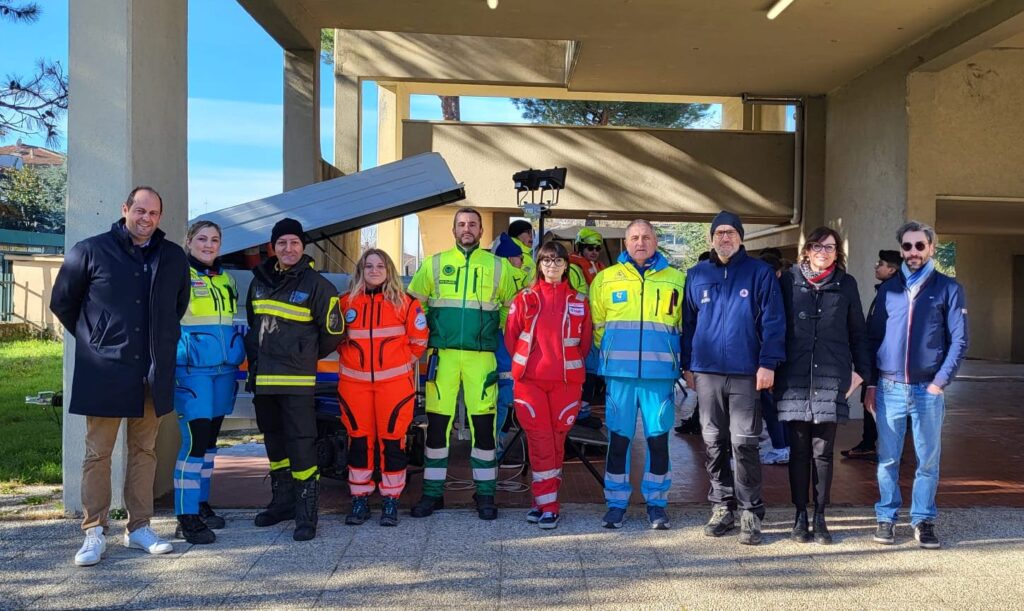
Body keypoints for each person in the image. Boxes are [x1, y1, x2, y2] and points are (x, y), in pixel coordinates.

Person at [50, 186, 190, 566]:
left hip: (151, 372)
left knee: (144, 451)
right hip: (106, 371)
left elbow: (177, 306)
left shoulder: (174, 256)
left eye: (153, 213)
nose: (146, 219)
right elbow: (62, 302)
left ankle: (139, 527)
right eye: (139, 210)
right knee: (99, 453)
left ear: (160, 217)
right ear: (125, 209)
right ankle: (94, 530)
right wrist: (96, 340)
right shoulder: (90, 250)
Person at [407, 208, 518, 520]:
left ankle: (484, 496)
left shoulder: (498, 266)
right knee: (437, 429)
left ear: (481, 230)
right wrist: (426, 338)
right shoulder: (434, 264)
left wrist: (501, 343)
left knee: (483, 428)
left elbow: (512, 313)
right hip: (442, 356)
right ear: (453, 229)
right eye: (461, 224)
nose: (467, 229)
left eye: (472, 224)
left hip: (481, 359)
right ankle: (432, 495)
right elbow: (414, 307)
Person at [681, 211, 785, 545]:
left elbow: (773, 322)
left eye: (731, 232)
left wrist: (768, 363)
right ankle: (722, 507)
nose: (725, 238)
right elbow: (688, 324)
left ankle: (751, 511)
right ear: (711, 238)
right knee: (712, 441)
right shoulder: (696, 274)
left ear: (741, 237)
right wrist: (687, 365)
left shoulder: (760, 273)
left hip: (745, 372)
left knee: (744, 443)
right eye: (719, 233)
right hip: (707, 373)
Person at [864, 221, 968, 549]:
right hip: (890, 388)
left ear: (931, 248)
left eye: (919, 246)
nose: (913, 252)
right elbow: (872, 337)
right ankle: (886, 517)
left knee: (927, 460)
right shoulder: (889, 290)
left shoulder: (949, 289)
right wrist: (870, 384)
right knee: (887, 458)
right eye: (907, 247)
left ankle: (923, 519)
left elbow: (960, 340)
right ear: (901, 250)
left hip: (928, 390)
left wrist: (940, 382)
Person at [245, 218, 345, 541]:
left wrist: (305, 354)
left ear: (303, 247)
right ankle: (283, 503)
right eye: (282, 243)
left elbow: (333, 333)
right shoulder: (257, 282)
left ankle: (306, 513)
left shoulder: (318, 285)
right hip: (264, 381)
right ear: (272, 248)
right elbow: (253, 322)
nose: (288, 249)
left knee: (302, 447)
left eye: (295, 243)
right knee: (275, 444)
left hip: (297, 382)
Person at [775, 227, 871, 545]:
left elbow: (858, 332)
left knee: (823, 453)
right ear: (806, 250)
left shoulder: (846, 284)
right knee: (799, 451)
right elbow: (775, 328)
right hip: (796, 378)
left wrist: (861, 374)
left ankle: (821, 516)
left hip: (832, 379)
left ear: (837, 253)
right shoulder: (788, 281)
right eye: (817, 246)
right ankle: (800, 516)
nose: (823, 252)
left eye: (829, 247)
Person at [590, 219, 686, 530]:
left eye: (646, 237)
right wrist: (610, 357)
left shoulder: (677, 280)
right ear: (625, 242)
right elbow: (597, 327)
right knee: (619, 440)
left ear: (655, 241)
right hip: (619, 376)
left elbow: (685, 327)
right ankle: (616, 502)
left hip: (659, 376)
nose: (640, 242)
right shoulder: (605, 280)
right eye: (634, 237)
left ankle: (657, 503)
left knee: (659, 440)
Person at [337, 249, 428, 527]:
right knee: (359, 441)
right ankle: (360, 498)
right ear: (360, 271)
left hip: (395, 387)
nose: (374, 270)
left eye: (380, 266)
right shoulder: (344, 303)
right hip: (354, 386)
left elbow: (419, 341)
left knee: (393, 441)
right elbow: (335, 340)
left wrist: (398, 366)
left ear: (388, 270)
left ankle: (391, 499)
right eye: (368, 266)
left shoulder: (406, 303)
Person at [505, 241, 592, 529]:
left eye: (557, 261)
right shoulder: (524, 298)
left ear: (566, 265)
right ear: (539, 265)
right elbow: (511, 338)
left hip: (566, 383)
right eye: (546, 260)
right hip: (530, 383)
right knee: (541, 440)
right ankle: (550, 505)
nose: (551, 266)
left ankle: (540, 500)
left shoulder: (580, 300)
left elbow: (585, 344)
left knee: (555, 442)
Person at [172, 221, 246, 544]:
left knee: (211, 443)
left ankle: (201, 503)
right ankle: (185, 516)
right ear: (188, 241)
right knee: (195, 441)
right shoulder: (178, 276)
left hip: (224, 370)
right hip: (192, 371)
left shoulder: (226, 278)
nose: (208, 244)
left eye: (215, 239)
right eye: (201, 238)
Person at [842, 249, 901, 460]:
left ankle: (885, 448)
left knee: (876, 402)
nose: (877, 266)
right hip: (874, 357)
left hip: (881, 360)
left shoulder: (892, 291)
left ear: (892, 269)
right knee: (870, 402)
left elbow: (882, 330)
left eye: (881, 264)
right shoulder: (885, 289)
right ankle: (869, 443)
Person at [491, 233, 530, 463]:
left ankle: (496, 441)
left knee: (500, 398)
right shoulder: (518, 275)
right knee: (507, 396)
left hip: (499, 339)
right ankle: (498, 441)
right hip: (509, 341)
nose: (522, 261)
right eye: (518, 257)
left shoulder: (495, 275)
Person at [756, 252, 790, 466]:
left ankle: (780, 446)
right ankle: (782, 446)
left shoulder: (777, 293)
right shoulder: (785, 290)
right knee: (776, 406)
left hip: (770, 361)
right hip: (776, 359)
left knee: (772, 406)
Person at [568, 227, 606, 294]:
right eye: (590, 248)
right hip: (584, 304)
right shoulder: (572, 269)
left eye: (597, 249)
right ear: (581, 248)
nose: (594, 252)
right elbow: (571, 294)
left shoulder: (598, 266)